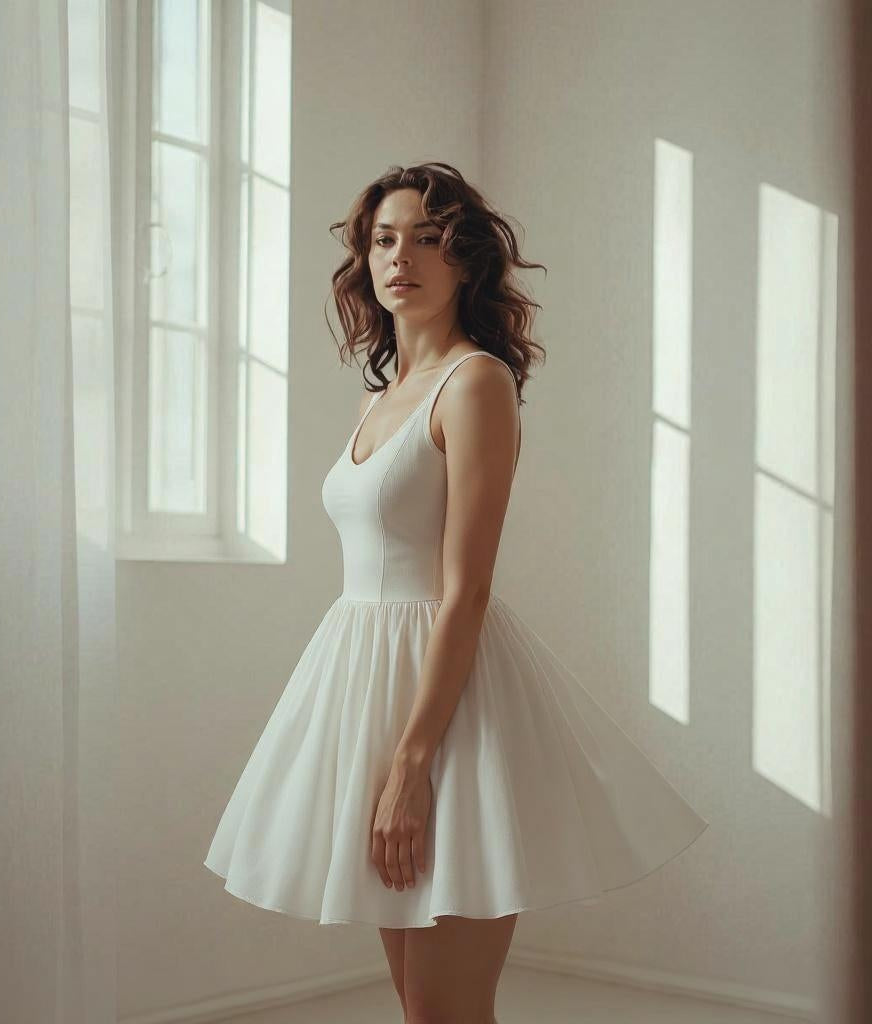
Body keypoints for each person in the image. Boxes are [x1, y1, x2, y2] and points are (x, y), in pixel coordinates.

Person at [204, 162, 708, 1024]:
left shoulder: (476, 383)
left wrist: (412, 763)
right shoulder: (383, 397)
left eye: (428, 239)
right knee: (417, 1004)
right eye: (384, 239)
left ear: (466, 261)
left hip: (448, 714)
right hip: (363, 692)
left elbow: (466, 587)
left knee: (445, 1008)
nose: (401, 257)